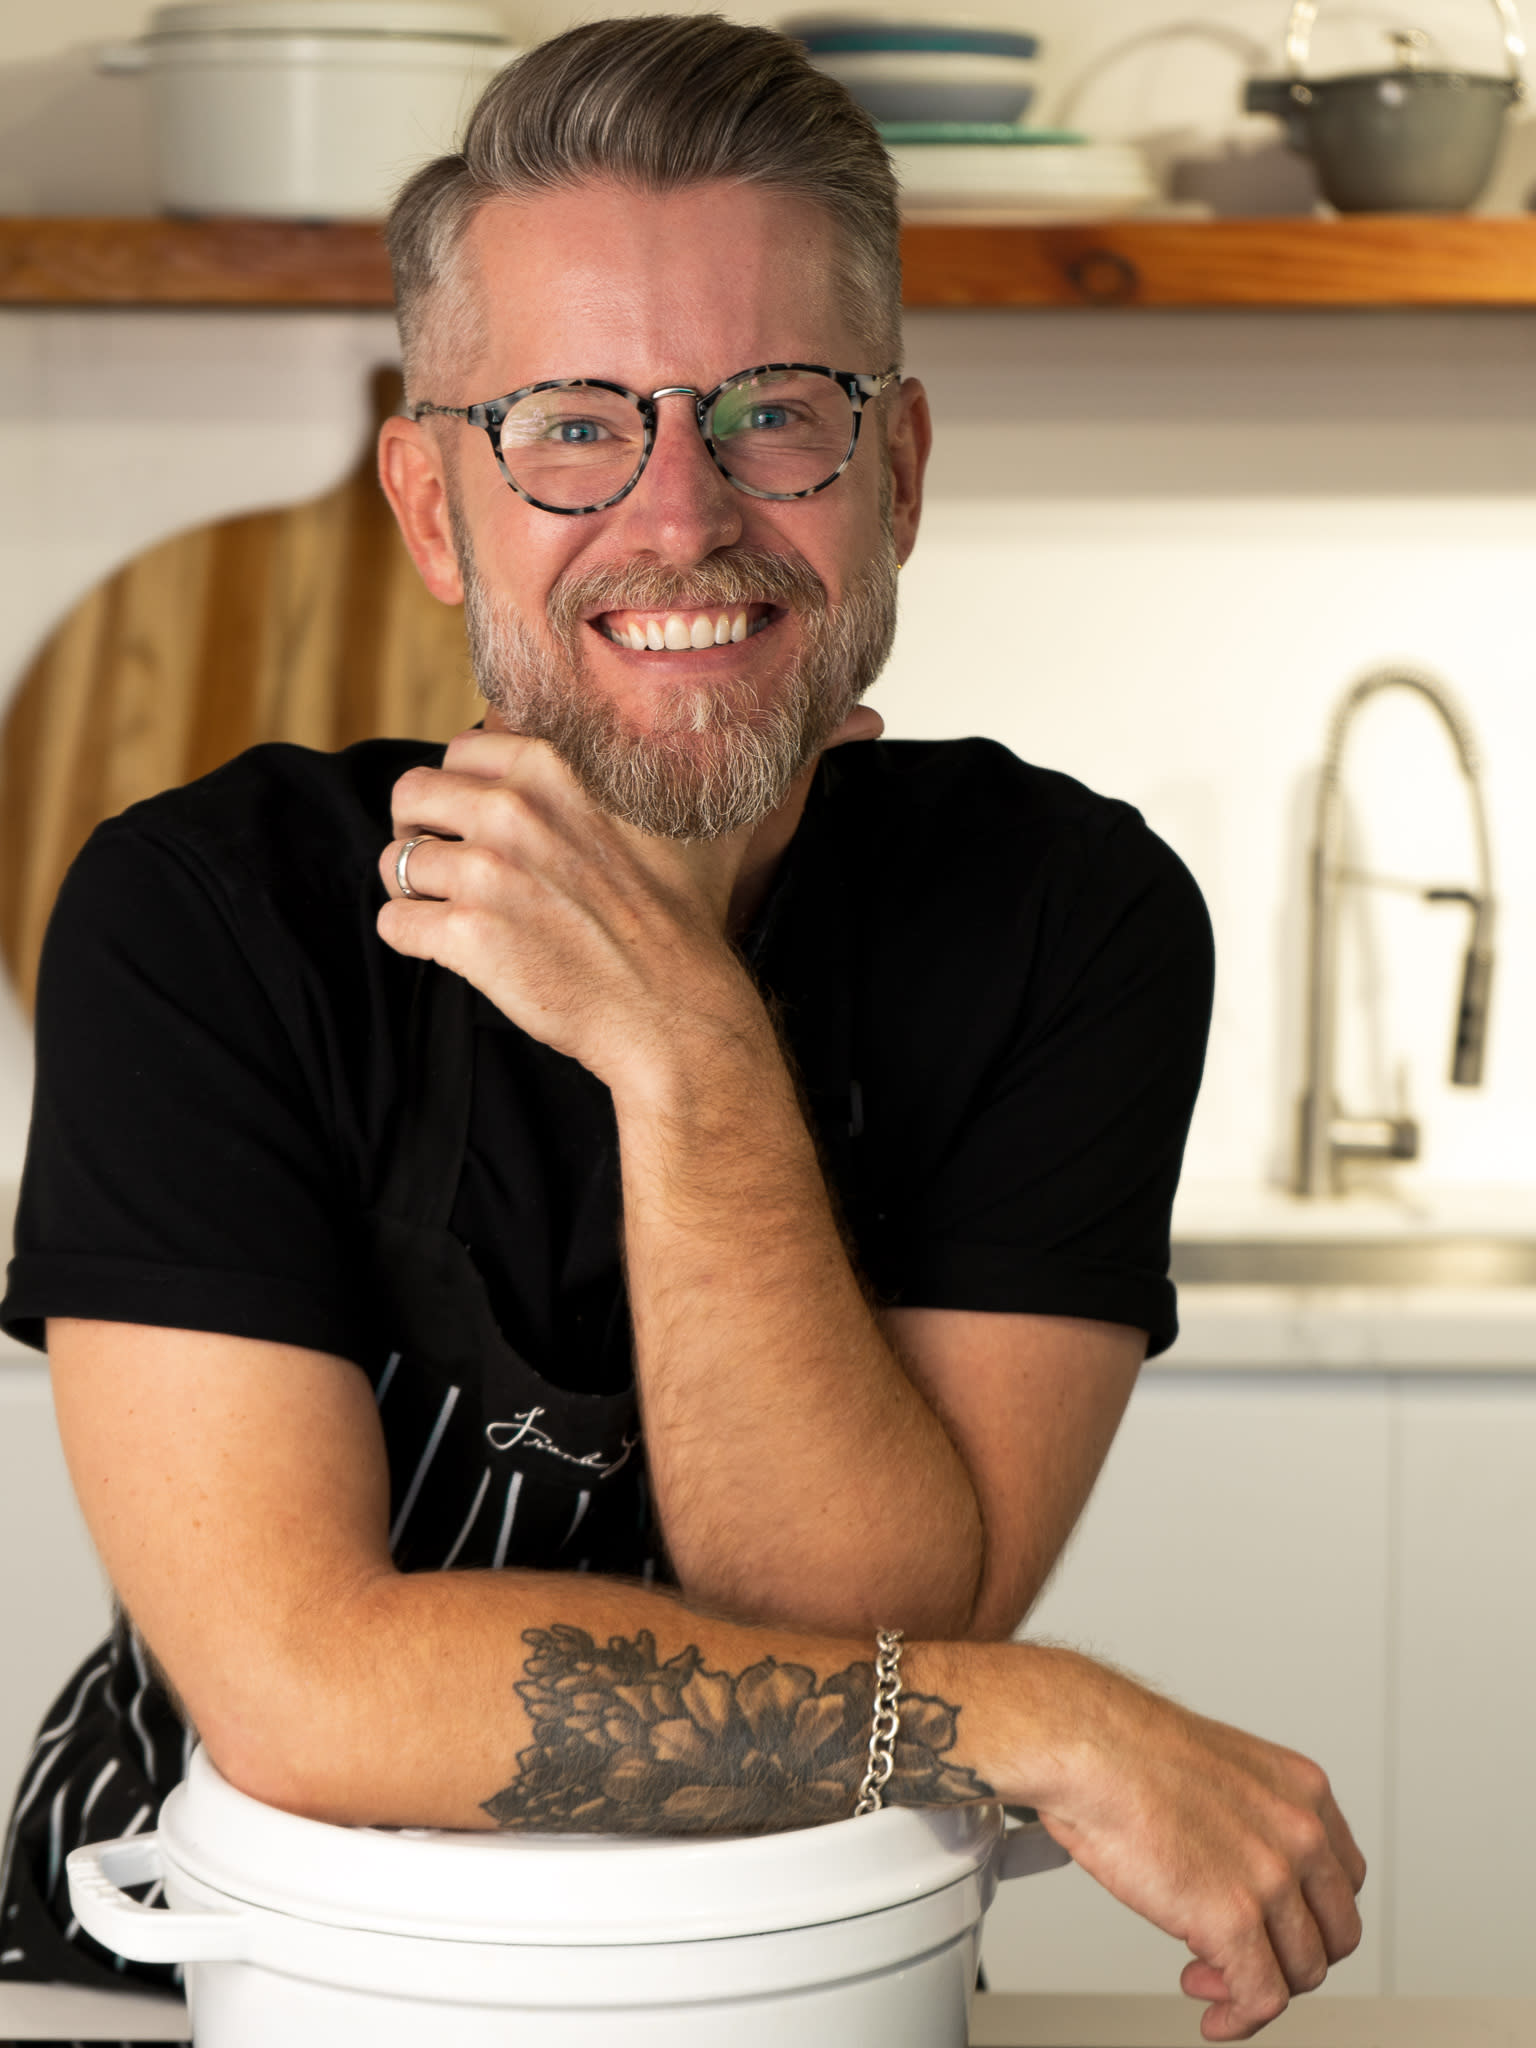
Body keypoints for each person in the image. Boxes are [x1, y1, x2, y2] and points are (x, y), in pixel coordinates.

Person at [0, 15, 1362, 2039]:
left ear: (892, 473)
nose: (676, 510)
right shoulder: (208, 914)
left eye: (774, 410)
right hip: (210, 1972)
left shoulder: (1065, 919)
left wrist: (689, 1045)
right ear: (433, 503)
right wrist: (1019, 1714)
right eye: (568, 422)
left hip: (801, 1977)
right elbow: (299, 1685)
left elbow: (872, 1613)